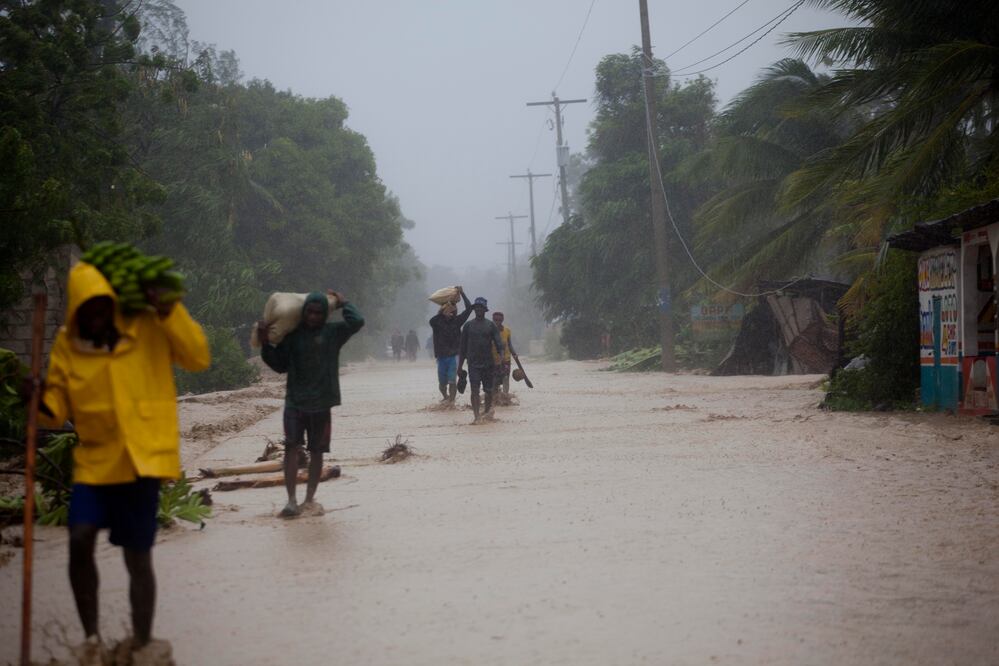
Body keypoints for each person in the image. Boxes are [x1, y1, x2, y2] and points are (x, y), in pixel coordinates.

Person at [31, 261, 210, 665]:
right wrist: (35, 396)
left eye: (101, 308)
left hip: (142, 462)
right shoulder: (67, 343)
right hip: (95, 464)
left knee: (137, 557)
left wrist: (169, 310)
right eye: (86, 312)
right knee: (79, 538)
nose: (95, 319)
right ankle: (91, 638)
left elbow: (198, 357)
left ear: (112, 304)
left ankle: (142, 641)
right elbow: (53, 413)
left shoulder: (148, 326)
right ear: (76, 312)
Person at [257, 291, 363, 518]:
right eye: (309, 312)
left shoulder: (333, 333)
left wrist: (345, 302)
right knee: (291, 449)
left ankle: (309, 499)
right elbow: (279, 365)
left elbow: (357, 321)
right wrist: (265, 343)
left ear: (325, 314)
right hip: (295, 403)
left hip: (322, 404)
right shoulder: (293, 336)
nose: (313, 317)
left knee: (317, 452)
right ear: (303, 312)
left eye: (318, 313)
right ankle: (291, 500)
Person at [457, 297, 504, 424]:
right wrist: (459, 367)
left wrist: (501, 360)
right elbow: (462, 348)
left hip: (488, 363)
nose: (478, 309)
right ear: (474, 309)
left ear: (485, 310)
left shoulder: (491, 325)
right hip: (473, 364)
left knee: (488, 391)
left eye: (481, 308)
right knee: (474, 390)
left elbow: (499, 345)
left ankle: (487, 413)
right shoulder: (468, 326)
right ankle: (476, 415)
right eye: (476, 307)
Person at [428, 286, 472, 402]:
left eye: (453, 311)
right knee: (442, 383)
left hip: (454, 355)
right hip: (441, 356)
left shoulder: (457, 321)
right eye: (449, 310)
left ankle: (451, 402)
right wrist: (442, 314)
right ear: (443, 311)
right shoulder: (437, 322)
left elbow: (469, 308)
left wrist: (462, 293)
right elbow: (431, 321)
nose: (452, 312)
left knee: (452, 381)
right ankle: (445, 397)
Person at [491, 311, 519, 396]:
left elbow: (509, 344)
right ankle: (495, 397)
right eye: (495, 320)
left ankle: (505, 396)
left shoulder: (507, 331)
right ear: (493, 320)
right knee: (494, 380)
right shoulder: (489, 331)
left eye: (499, 320)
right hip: (493, 360)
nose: (497, 322)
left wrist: (514, 354)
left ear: (502, 320)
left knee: (506, 377)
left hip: (506, 359)